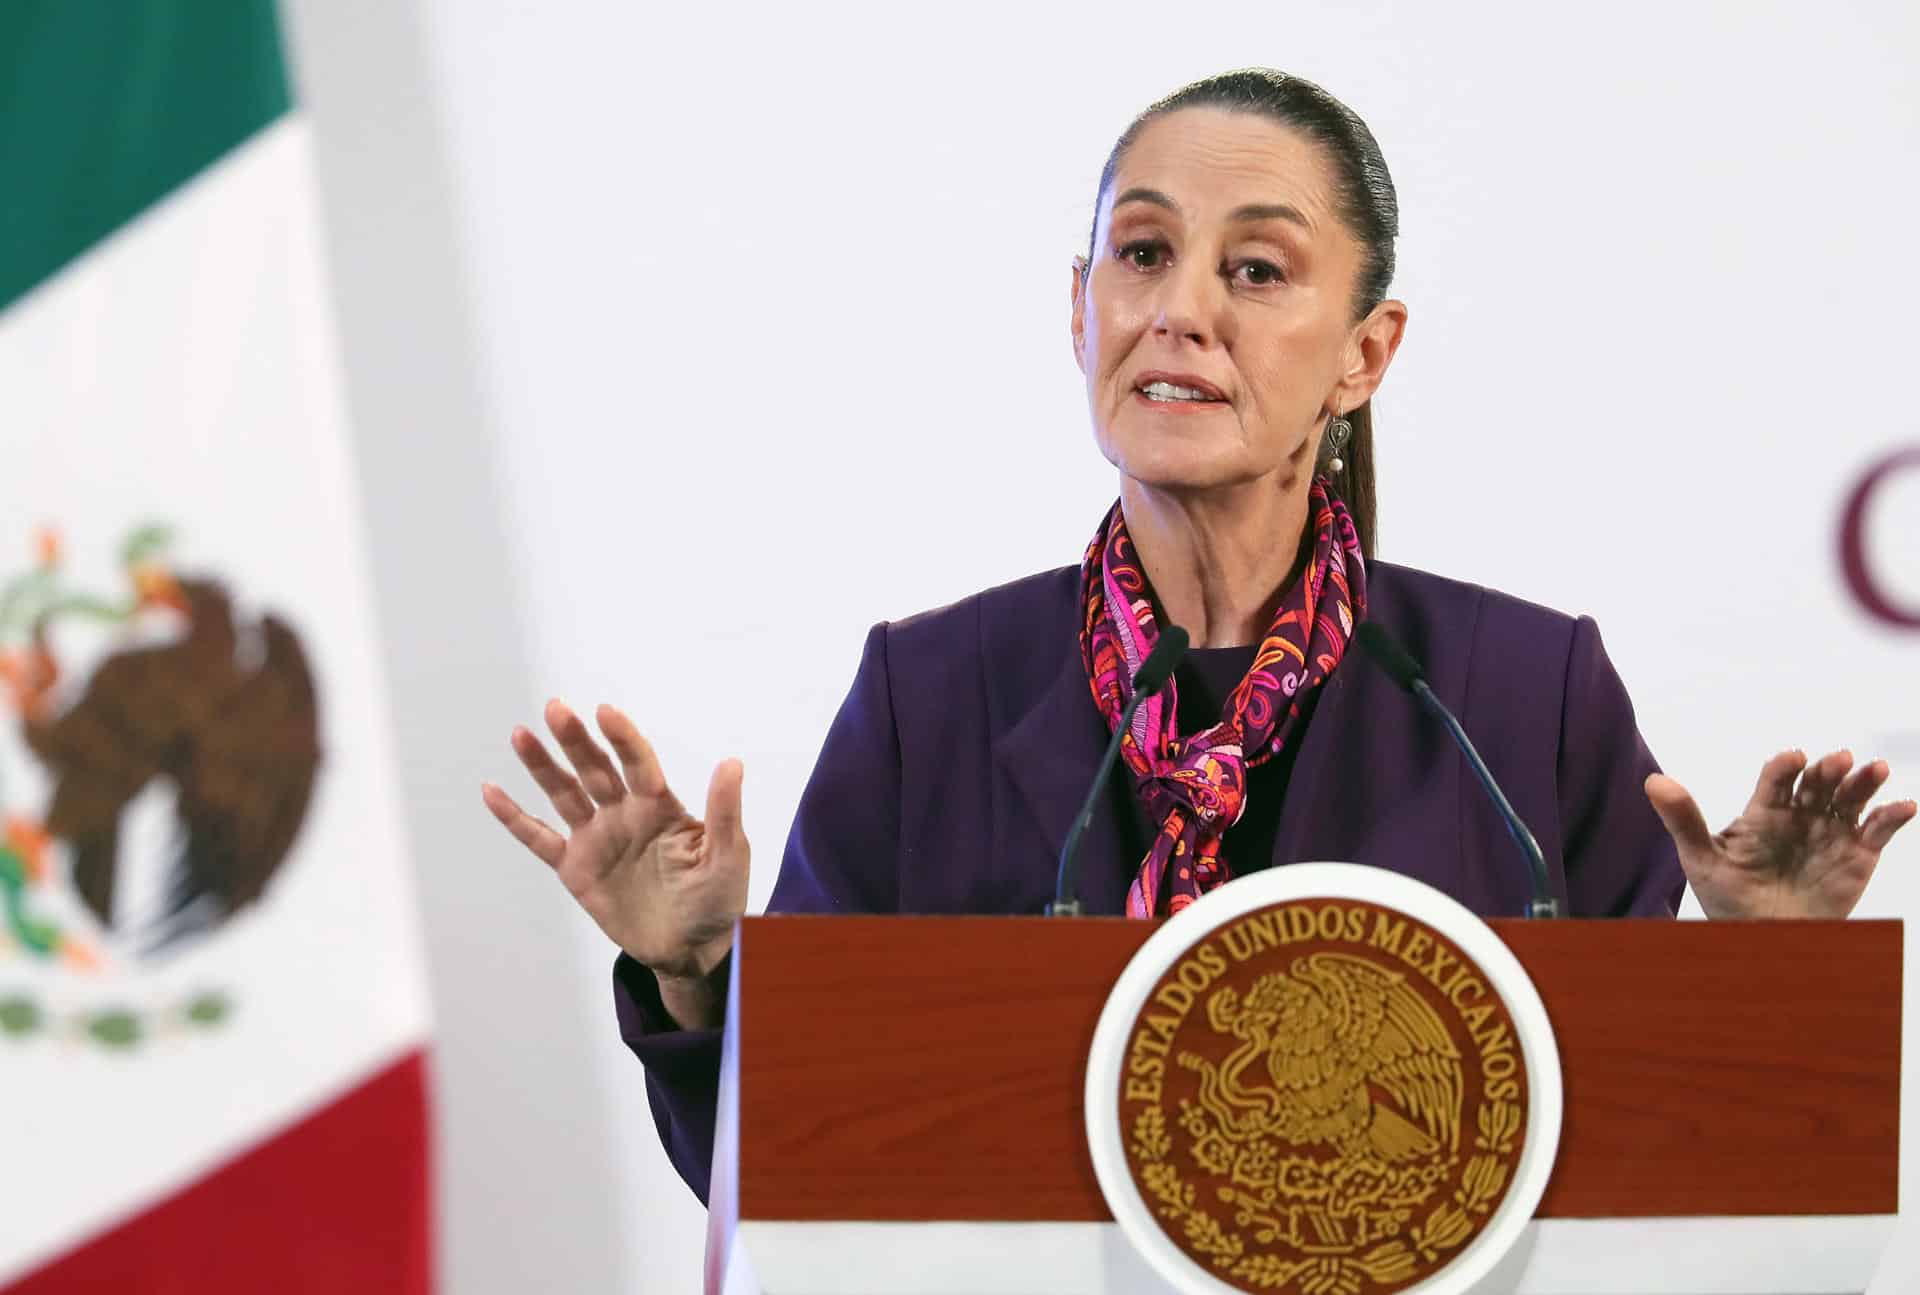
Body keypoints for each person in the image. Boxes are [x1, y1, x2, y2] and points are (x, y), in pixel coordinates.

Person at [479, 69, 1915, 1204]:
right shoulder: (933, 698)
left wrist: (1765, 973)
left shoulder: (1522, 697)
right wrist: (704, 975)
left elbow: (1649, 1169)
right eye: (1144, 253)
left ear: (1366, 352)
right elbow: (796, 1177)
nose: (1178, 313)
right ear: (1081, 306)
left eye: (1258, 271)